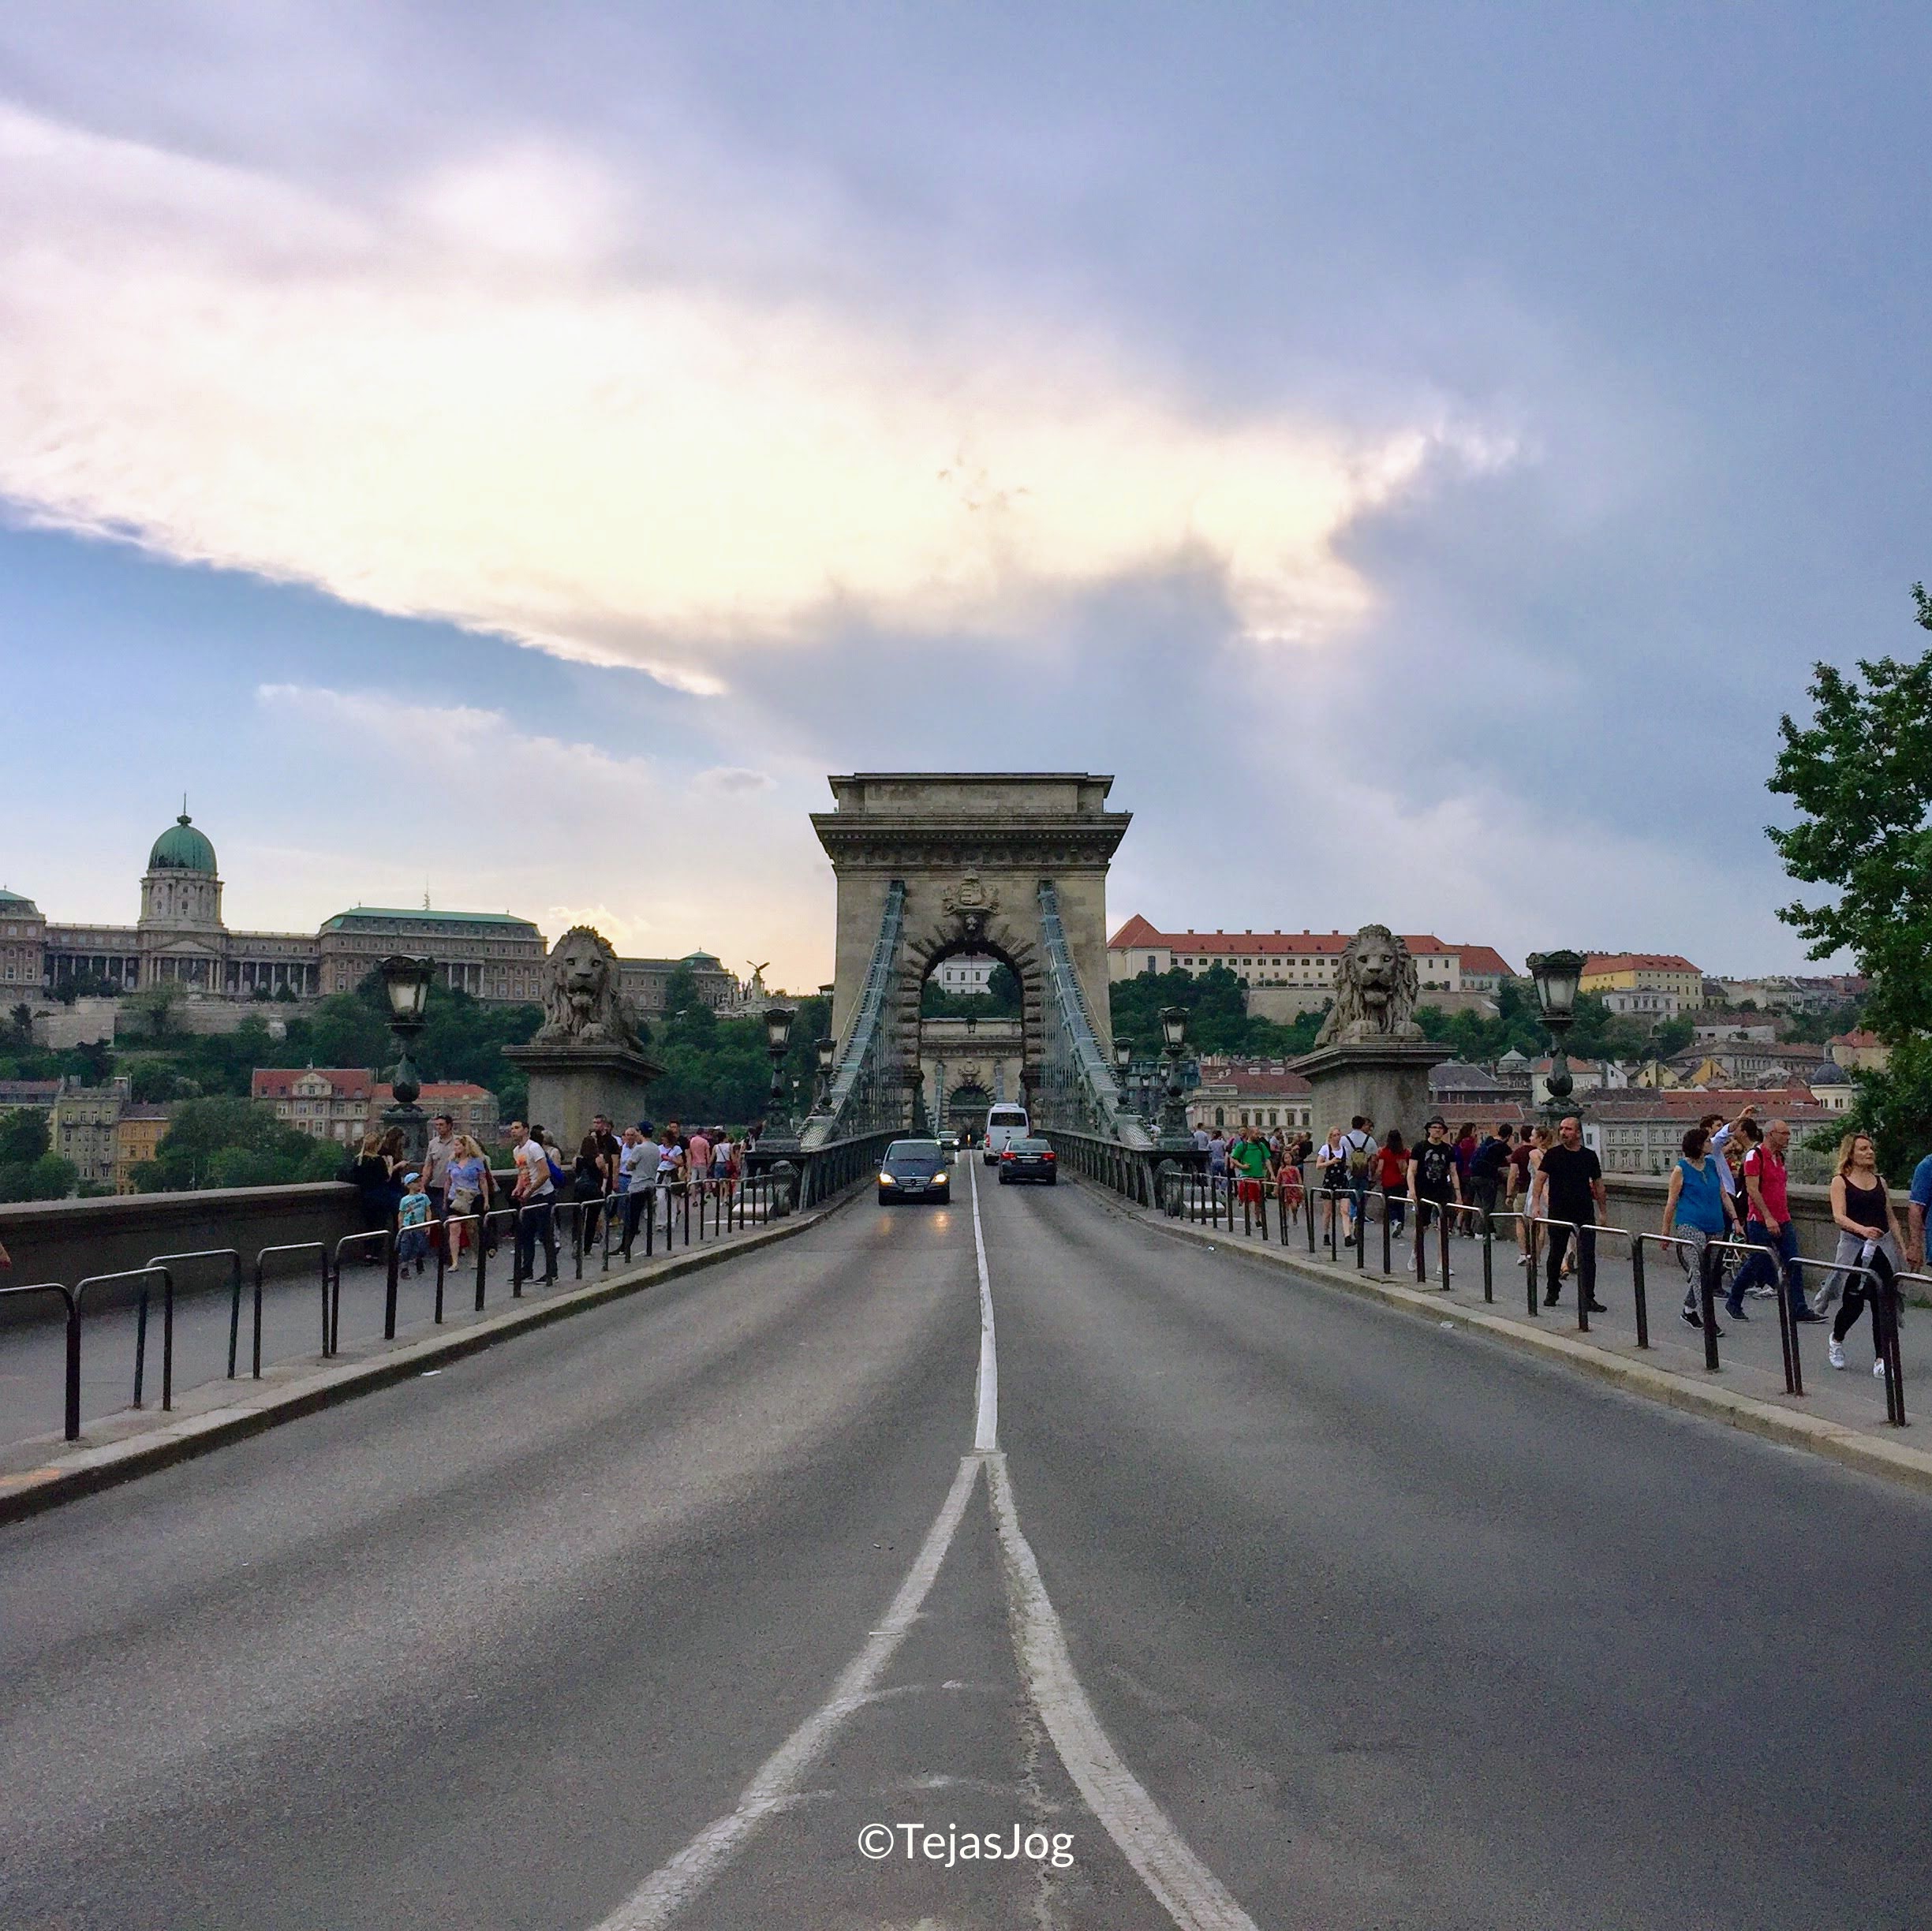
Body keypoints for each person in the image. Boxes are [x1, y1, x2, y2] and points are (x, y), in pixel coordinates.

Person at [1819, 1132, 1905, 1374]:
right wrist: (1863, 1230)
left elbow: (1890, 1217)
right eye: (1863, 1149)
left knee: (1883, 1303)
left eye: (1871, 1148)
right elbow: (1839, 1216)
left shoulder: (1880, 1181)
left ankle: (1881, 1358)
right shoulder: (1841, 1181)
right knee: (1853, 1304)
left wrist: (1902, 1246)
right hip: (1855, 1248)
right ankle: (1836, 1338)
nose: (1869, 1152)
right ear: (1851, 1154)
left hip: (1882, 1249)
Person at [1728, 1117, 1815, 1324]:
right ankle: (1734, 1299)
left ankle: (1799, 1307)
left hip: (1783, 1218)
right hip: (1760, 1220)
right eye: (1783, 1134)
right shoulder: (1754, 1156)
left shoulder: (1779, 1158)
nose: (1788, 1138)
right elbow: (1752, 1189)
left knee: (1794, 1262)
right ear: (1770, 1134)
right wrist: (1767, 1216)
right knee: (1758, 1262)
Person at [1662, 1124, 1736, 1332]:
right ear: (1697, 1145)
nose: (1710, 1144)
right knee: (1699, 1271)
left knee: (1707, 1270)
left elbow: (1723, 1194)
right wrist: (1665, 1231)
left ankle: (1688, 1309)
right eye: (1707, 1141)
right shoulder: (1681, 1169)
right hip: (1690, 1223)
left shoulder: (1712, 1165)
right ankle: (1708, 1320)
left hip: (1715, 1224)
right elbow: (1672, 1201)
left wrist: (1736, 1219)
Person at [1533, 1114, 1606, 1312]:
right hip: (1559, 1210)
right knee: (1556, 1253)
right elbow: (1539, 1180)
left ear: (1578, 1133)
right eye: (1562, 1129)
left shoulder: (1589, 1156)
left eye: (1569, 1129)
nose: (1564, 1132)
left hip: (1583, 1211)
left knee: (1587, 1256)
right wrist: (1536, 1204)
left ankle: (1588, 1297)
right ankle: (1552, 1290)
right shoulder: (1553, 1154)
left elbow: (1599, 1185)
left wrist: (1603, 1212)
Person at [508, 1119, 559, 1284]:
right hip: (529, 1196)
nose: (513, 1131)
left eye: (517, 1128)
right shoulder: (517, 1150)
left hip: (543, 1194)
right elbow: (523, 1172)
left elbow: (545, 1173)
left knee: (545, 1235)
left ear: (526, 1130)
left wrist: (531, 1189)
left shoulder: (534, 1147)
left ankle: (552, 1272)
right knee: (526, 1234)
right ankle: (526, 1270)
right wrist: (519, 1187)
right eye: (512, 1128)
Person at [1407, 1117, 1461, 1268]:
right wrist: (1412, 1191)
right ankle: (1415, 1253)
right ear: (1429, 1129)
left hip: (1442, 1190)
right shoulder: (1420, 1147)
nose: (1437, 1130)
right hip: (1423, 1189)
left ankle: (1442, 1263)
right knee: (1422, 1227)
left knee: (1442, 1226)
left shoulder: (1448, 1149)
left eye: (1440, 1127)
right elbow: (1411, 1171)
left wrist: (1458, 1195)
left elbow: (1453, 1172)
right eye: (1434, 1127)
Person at [575, 1113, 621, 1242]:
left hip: (604, 1179)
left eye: (598, 1123)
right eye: (594, 1123)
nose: (596, 1125)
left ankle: (599, 1232)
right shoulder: (590, 1139)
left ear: (605, 1125)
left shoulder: (610, 1141)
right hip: (591, 1180)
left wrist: (614, 1179)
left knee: (600, 1207)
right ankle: (594, 1233)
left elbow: (615, 1161)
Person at [445, 1135, 490, 1264]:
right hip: (455, 1196)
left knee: (472, 1228)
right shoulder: (452, 1162)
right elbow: (448, 1181)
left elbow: (482, 1181)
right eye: (455, 1145)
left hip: (472, 1197)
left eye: (458, 1145)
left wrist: (486, 1199)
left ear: (466, 1146)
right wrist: (445, 1199)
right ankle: (454, 1261)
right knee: (454, 1228)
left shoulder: (477, 1162)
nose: (456, 1148)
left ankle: (475, 1254)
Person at [420, 1113, 458, 1257]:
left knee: (448, 1218)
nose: (439, 1128)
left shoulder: (458, 1142)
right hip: (435, 1186)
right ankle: (440, 1249)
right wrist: (423, 1184)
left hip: (453, 1187)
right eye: (437, 1125)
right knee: (435, 1218)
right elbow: (428, 1165)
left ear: (449, 1126)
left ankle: (448, 1251)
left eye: (441, 1125)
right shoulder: (433, 1143)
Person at [1508, 1124, 1544, 1268]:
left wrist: (1509, 1193)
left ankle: (1524, 1253)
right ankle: (1538, 1256)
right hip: (1540, 1192)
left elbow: (1512, 1175)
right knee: (1540, 1226)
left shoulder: (1519, 1153)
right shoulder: (1543, 1152)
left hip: (1524, 1191)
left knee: (1520, 1221)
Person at [350, 1131, 395, 1241]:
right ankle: (376, 1253)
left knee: (368, 1226)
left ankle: (367, 1252)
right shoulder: (378, 1160)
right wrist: (390, 1165)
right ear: (377, 1145)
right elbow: (387, 1177)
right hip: (379, 1198)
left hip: (365, 1197)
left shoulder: (358, 1160)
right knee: (379, 1226)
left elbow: (354, 1177)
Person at [1338, 1115, 1375, 1246]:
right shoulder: (1369, 1140)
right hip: (1364, 1174)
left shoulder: (1344, 1140)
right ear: (1362, 1125)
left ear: (1352, 1124)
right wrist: (1372, 1175)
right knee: (1362, 1199)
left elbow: (1341, 1157)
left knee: (1351, 1197)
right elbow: (1373, 1160)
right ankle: (1358, 1216)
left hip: (1349, 1174)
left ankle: (1353, 1217)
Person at [1467, 1123, 1512, 1231]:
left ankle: (1488, 1230)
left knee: (1480, 1205)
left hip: (1474, 1176)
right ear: (1509, 1136)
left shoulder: (1488, 1141)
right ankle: (1481, 1231)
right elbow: (1510, 1161)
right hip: (1487, 1178)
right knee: (1488, 1206)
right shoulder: (1502, 1147)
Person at [396, 1171, 432, 1276]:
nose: (419, 1184)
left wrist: (428, 1224)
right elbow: (401, 1213)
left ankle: (418, 1259)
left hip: (420, 1225)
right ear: (409, 1185)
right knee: (406, 1248)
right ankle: (404, 1268)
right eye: (416, 1182)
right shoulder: (405, 1200)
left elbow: (428, 1210)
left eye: (420, 1181)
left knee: (421, 1247)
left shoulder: (424, 1197)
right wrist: (400, 1225)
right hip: (407, 1227)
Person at [1377, 1128, 1408, 1239]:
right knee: (1401, 1205)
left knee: (1390, 1206)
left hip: (1388, 1183)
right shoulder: (1405, 1152)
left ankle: (1395, 1222)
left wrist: (1376, 1177)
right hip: (1401, 1183)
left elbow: (1380, 1169)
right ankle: (1400, 1228)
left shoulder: (1384, 1152)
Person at [1231, 1126, 1272, 1212]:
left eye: (1258, 1134)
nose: (1258, 1136)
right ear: (1250, 1134)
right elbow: (1233, 1158)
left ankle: (1258, 1219)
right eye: (1256, 1134)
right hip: (1247, 1176)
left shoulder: (1261, 1146)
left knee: (1259, 1201)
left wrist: (1272, 1174)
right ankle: (1247, 1219)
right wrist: (1242, 1166)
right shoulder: (1242, 1146)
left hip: (1259, 1176)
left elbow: (1267, 1160)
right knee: (1247, 1199)